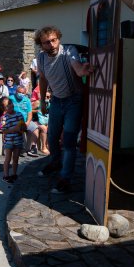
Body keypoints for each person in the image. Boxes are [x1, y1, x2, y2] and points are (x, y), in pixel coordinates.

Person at [35, 26, 94, 193]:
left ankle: (65, 178)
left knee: (68, 141)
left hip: (74, 100)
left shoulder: (68, 51)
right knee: (52, 137)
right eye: (47, 42)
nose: (52, 44)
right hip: (56, 100)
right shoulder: (41, 58)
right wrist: (42, 100)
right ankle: (55, 163)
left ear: (58, 38)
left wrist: (84, 70)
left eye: (54, 40)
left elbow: (77, 67)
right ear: (41, 44)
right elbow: (43, 79)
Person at [10, 85, 40, 157]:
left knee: (36, 129)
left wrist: (28, 122)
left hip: (26, 120)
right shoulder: (11, 98)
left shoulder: (27, 100)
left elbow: (29, 113)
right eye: (19, 92)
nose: (21, 94)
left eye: (23, 93)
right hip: (15, 120)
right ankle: (22, 149)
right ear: (16, 91)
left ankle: (32, 148)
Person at [1, 99, 24, 183]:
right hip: (9, 141)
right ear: (4, 108)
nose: (10, 106)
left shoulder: (19, 114)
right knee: (8, 159)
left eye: (10, 103)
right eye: (7, 105)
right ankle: (6, 175)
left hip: (18, 140)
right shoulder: (4, 117)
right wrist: (14, 129)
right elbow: (3, 130)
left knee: (16, 159)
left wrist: (21, 129)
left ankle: (14, 174)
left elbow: (23, 127)